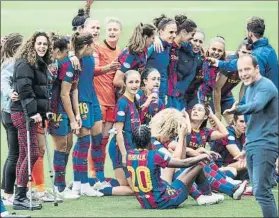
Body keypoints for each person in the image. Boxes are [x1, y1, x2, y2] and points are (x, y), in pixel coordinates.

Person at [224, 55, 278, 218]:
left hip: (266, 144)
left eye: (247, 69)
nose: (243, 74)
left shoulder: (266, 86)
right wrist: (246, 147)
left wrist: (237, 109)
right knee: (260, 191)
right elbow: (253, 121)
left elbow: (257, 106)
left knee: (262, 191)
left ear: (257, 69)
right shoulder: (249, 88)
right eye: (240, 70)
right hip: (254, 144)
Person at [127, 120, 212, 209]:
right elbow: (184, 163)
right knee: (198, 165)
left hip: (145, 203)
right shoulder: (154, 155)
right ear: (149, 141)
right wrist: (202, 156)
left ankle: (199, 196)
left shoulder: (128, 155)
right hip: (163, 202)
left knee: (167, 170)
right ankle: (208, 195)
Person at [11, 31, 52, 210]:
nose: (42, 46)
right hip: (22, 112)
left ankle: (19, 195)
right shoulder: (25, 63)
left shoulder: (39, 63)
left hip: (28, 112)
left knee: (25, 154)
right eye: (39, 43)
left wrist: (45, 112)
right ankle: (19, 196)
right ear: (32, 44)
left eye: (45, 44)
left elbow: (40, 91)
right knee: (32, 153)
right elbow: (25, 89)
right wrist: (33, 112)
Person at [70, 32, 103, 197]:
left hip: (92, 98)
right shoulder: (74, 60)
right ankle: (80, 183)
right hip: (82, 100)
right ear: (87, 46)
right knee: (83, 142)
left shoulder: (88, 57)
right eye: (92, 45)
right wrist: (70, 53)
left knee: (95, 136)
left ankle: (83, 183)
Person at [89, 17, 122, 183]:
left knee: (104, 140)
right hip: (98, 100)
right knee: (95, 140)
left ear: (120, 33)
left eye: (115, 30)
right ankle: (95, 175)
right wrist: (109, 68)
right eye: (109, 29)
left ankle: (99, 175)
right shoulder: (97, 47)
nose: (112, 32)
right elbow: (92, 70)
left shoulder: (120, 52)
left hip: (112, 101)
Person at [49, 34, 80, 199]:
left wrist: (76, 115)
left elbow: (73, 90)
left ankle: (60, 183)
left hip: (64, 109)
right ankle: (58, 187)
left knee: (67, 145)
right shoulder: (67, 64)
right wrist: (74, 118)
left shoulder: (71, 61)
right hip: (56, 110)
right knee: (61, 146)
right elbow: (64, 94)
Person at [209, 16, 278, 89]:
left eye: (246, 31)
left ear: (250, 34)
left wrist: (219, 63)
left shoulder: (257, 54)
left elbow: (241, 64)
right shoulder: (270, 49)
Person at [103, 70, 141, 196]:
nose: (134, 85)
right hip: (120, 150)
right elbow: (118, 132)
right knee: (133, 190)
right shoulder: (122, 103)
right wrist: (124, 154)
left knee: (126, 185)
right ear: (124, 84)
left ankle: (99, 182)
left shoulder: (135, 101)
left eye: (137, 82)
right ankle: (97, 189)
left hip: (131, 150)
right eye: (131, 82)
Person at [1, 33, 23, 206]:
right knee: (15, 153)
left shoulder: (8, 61)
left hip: (6, 111)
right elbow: (4, 82)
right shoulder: (12, 63)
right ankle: (8, 193)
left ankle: (6, 189)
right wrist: (11, 94)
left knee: (14, 153)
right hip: (10, 111)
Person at [213, 40, 251, 123]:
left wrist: (241, 106)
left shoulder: (249, 65)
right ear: (238, 52)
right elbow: (216, 88)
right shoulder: (230, 63)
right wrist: (218, 112)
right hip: (212, 96)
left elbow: (243, 89)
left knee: (237, 123)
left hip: (226, 96)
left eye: (249, 53)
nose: (246, 56)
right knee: (217, 126)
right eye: (244, 52)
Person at [166, 14, 197, 110]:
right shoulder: (168, 46)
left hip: (175, 93)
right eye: (192, 34)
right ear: (183, 32)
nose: (192, 39)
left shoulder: (180, 47)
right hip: (166, 93)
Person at [113, 23, 156, 89]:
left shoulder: (144, 50)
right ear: (145, 38)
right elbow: (117, 81)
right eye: (153, 38)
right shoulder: (130, 55)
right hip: (125, 96)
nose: (154, 41)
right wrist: (134, 90)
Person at [146, 14, 177, 101]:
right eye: (171, 32)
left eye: (175, 32)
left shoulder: (168, 46)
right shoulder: (153, 46)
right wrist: (155, 37)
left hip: (161, 95)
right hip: (150, 96)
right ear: (161, 31)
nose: (174, 35)